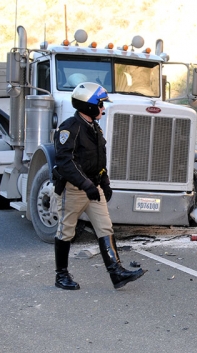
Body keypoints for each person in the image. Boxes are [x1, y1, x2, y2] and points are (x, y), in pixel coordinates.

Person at [53, 82, 145, 290]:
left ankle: (117, 272)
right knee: (66, 231)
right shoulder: (70, 128)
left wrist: (105, 182)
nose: (103, 108)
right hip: (74, 189)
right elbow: (65, 162)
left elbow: (99, 159)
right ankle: (61, 276)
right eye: (101, 104)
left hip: (94, 188)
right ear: (89, 106)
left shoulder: (95, 128)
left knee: (105, 227)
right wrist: (86, 185)